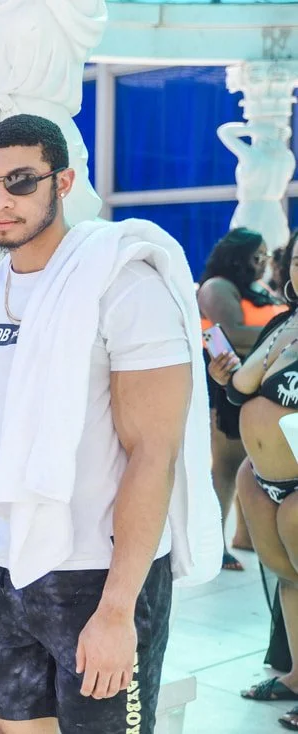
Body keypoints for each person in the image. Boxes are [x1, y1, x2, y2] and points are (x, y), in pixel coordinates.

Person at [0, 114, 212, 734]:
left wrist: (118, 610)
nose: (0, 199)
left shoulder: (121, 285)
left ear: (61, 182)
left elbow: (153, 454)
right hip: (4, 576)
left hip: (98, 577)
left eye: (21, 181)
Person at [209, 229, 298, 731]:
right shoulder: (283, 325)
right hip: (260, 479)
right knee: (288, 580)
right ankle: (294, 676)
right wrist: (227, 376)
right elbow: (244, 391)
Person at [198, 227, 286, 569]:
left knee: (252, 466)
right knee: (225, 468)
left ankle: (244, 538)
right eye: (256, 256)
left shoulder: (258, 290)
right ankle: (212, 547)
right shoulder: (217, 287)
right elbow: (231, 332)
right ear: (237, 255)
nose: (263, 263)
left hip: (260, 385)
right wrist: (282, 336)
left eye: (265, 256)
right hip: (226, 385)